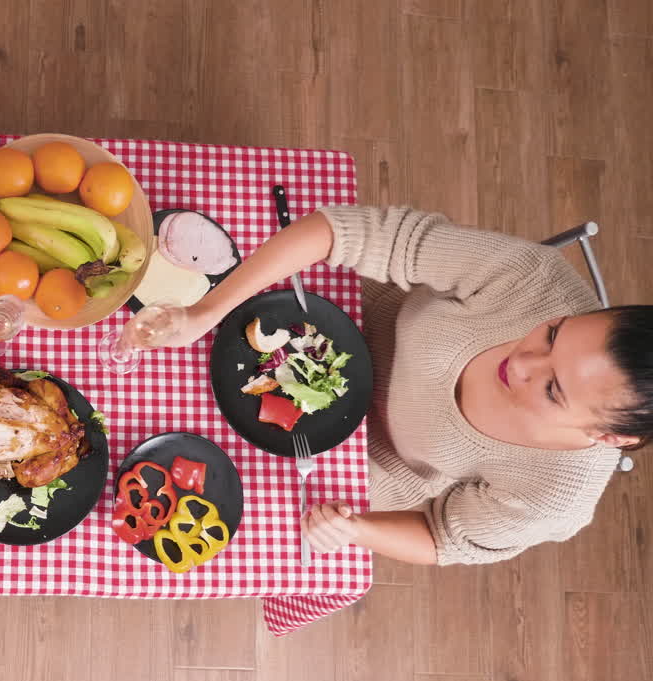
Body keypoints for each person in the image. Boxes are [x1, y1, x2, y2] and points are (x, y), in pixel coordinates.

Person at [167, 206, 651, 565]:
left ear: (610, 437)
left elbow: (442, 536)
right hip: (340, 312)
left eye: (552, 390)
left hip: (365, 464)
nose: (521, 362)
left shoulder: (557, 497)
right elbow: (353, 231)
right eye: (552, 333)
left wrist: (354, 529)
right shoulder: (533, 280)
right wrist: (204, 313)